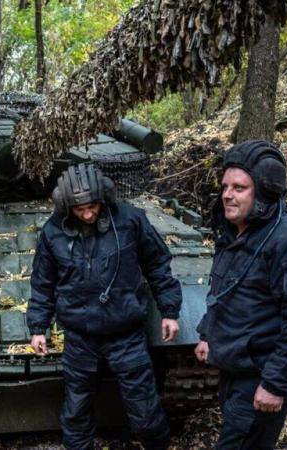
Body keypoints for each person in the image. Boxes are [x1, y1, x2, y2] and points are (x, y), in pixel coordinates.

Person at [27, 163, 182, 450]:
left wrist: (169, 310)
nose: (88, 214)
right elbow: (43, 283)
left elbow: (158, 265)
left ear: (104, 198)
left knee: (146, 411)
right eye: (79, 209)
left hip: (126, 334)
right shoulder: (53, 232)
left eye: (93, 206)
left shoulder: (130, 221)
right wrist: (39, 327)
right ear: (66, 206)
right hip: (80, 337)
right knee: (76, 412)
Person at [195, 140, 287, 450]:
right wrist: (207, 333)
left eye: (239, 187)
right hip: (235, 372)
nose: (227, 194)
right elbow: (226, 291)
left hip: (262, 376)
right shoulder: (236, 233)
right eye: (225, 185)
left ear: (264, 192)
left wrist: (275, 384)